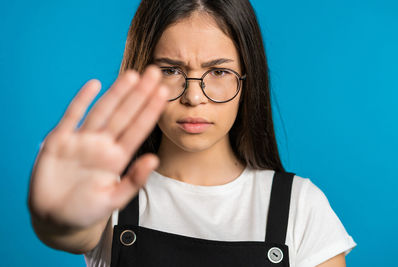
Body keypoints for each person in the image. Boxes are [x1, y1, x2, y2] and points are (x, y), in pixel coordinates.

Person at [27, 0, 357, 266]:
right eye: (171, 70)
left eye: (218, 71)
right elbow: (70, 231)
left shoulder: (301, 206)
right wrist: (56, 219)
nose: (193, 97)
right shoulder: (110, 193)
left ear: (247, 80)